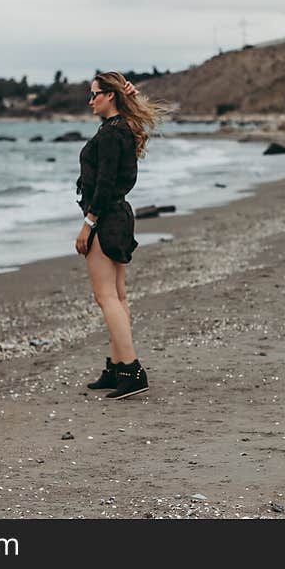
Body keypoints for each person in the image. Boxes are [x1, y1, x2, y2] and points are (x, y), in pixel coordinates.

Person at [74, 71, 170, 399]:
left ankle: (131, 368)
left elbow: (103, 184)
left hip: (108, 217)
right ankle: (117, 368)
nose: (90, 100)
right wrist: (134, 96)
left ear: (110, 96)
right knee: (118, 294)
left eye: (95, 94)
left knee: (106, 297)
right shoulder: (122, 128)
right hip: (119, 216)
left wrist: (88, 224)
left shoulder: (113, 134)